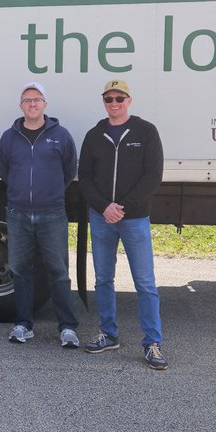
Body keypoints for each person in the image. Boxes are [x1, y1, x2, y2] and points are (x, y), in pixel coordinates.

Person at [77, 79, 168, 370]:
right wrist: (105, 207)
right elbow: (85, 177)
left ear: (129, 100)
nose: (113, 103)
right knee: (103, 279)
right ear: (103, 101)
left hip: (134, 218)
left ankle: (152, 343)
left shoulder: (146, 131)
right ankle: (108, 334)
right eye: (108, 98)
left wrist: (122, 207)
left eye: (119, 98)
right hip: (102, 217)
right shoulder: (94, 135)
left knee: (145, 283)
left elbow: (152, 176)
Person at [0, 82, 80, 346]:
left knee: (58, 271)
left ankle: (67, 327)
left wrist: (48, 193)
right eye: (27, 100)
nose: (32, 104)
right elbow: (4, 171)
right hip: (18, 213)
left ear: (45, 104)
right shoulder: (9, 137)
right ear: (21, 106)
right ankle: (23, 325)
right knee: (21, 271)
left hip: (52, 213)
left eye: (37, 99)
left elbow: (69, 170)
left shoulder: (61, 135)